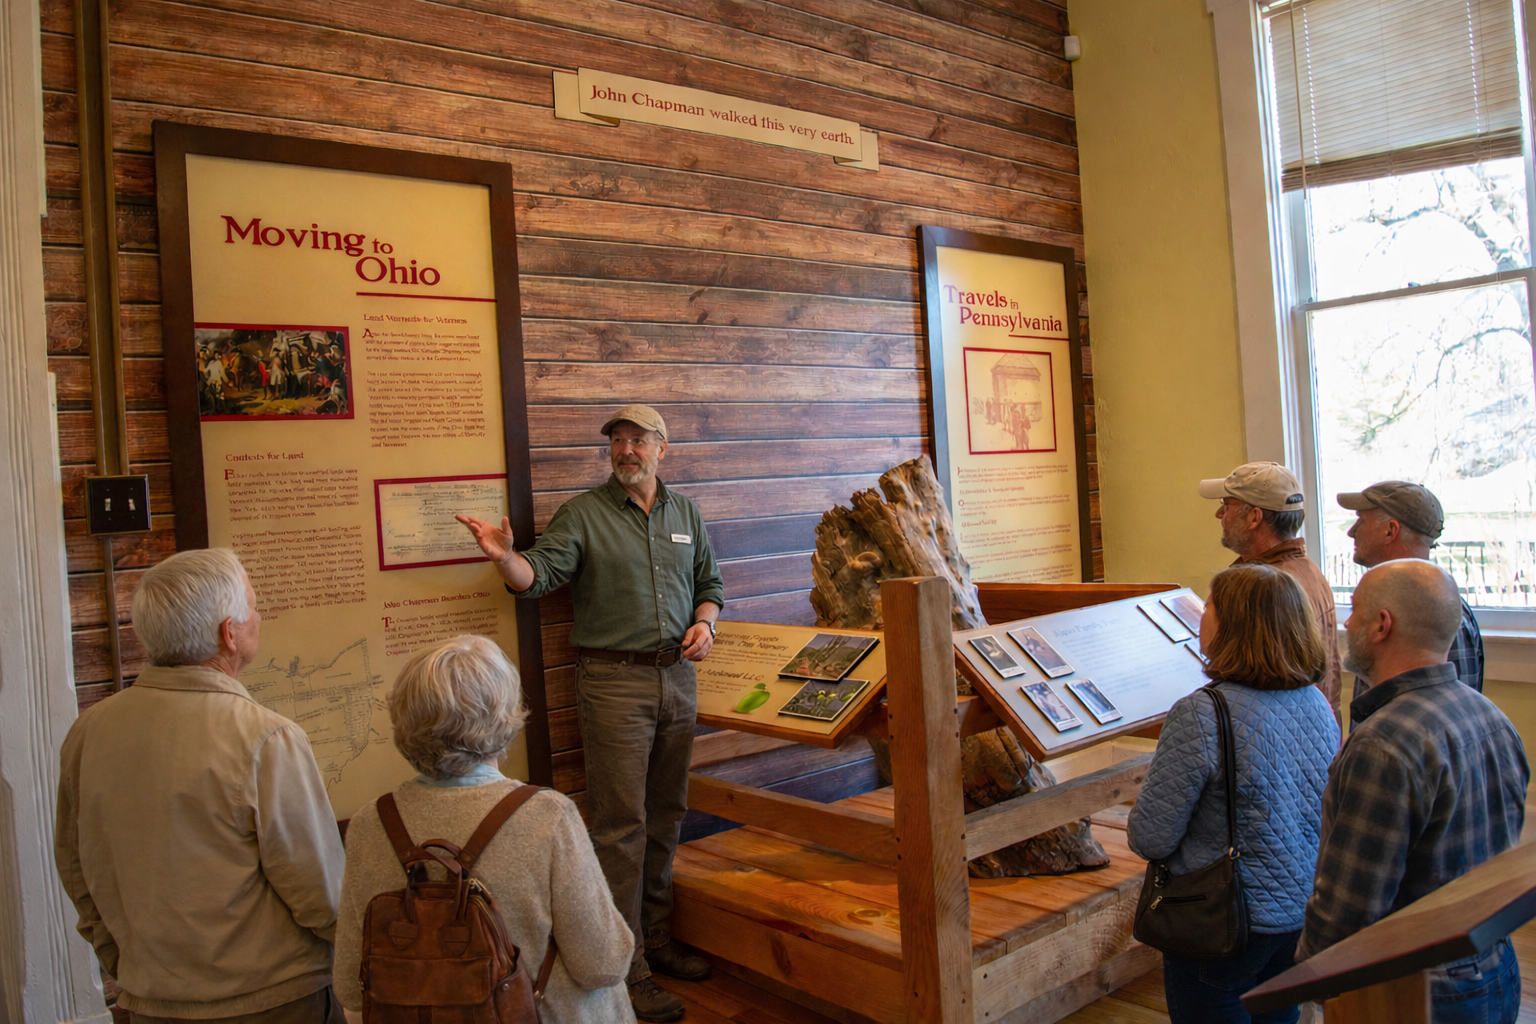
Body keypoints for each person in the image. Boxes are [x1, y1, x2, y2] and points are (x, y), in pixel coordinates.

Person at [457, 404, 724, 1023]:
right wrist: (504, 556)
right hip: (613, 683)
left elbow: (710, 583)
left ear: (663, 448)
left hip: (677, 680)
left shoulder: (686, 513)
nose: (626, 449)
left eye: (638, 440)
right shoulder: (583, 514)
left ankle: (656, 940)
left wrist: (705, 624)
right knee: (620, 826)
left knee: (667, 813)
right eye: (617, 440)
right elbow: (537, 576)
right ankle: (624, 965)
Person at [54, 549, 345, 1024]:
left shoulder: (89, 732)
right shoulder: (265, 737)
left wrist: (129, 967)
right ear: (228, 633)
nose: (259, 617)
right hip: (273, 1003)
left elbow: (75, 870)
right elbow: (323, 897)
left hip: (150, 1001)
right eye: (253, 605)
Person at [334, 635, 636, 1024]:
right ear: (503, 716)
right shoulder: (548, 816)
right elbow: (603, 964)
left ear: (404, 719)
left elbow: (348, 985)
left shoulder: (370, 823)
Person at [1299, 560, 1529, 1023]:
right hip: (1494, 969)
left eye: (1355, 611)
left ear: (1382, 625)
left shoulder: (1383, 744)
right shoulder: (1492, 718)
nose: (1345, 623)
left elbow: (1347, 910)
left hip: (1415, 993)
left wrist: (1309, 976)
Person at [1127, 564, 1339, 1024]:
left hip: (1224, 920)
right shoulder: (1316, 703)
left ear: (1234, 625)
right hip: (1297, 911)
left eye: (1209, 605)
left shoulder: (1201, 714)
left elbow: (1151, 838)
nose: (1200, 614)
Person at [1199, 462, 1342, 719]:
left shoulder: (1266, 590)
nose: (1219, 514)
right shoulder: (1307, 571)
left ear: (1255, 517)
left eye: (1227, 504)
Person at [1338, 479, 1483, 693]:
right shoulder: (1403, 603)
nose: (1351, 531)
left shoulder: (1434, 612)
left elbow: (1448, 713)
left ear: (1390, 530)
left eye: (1361, 521)